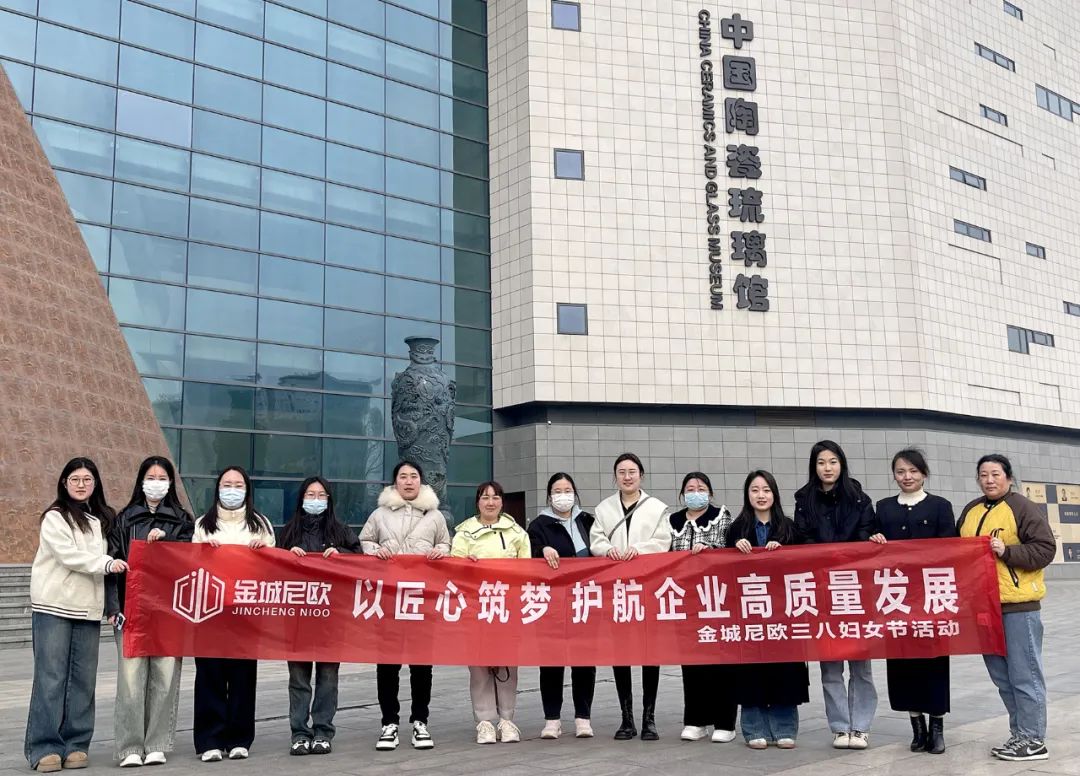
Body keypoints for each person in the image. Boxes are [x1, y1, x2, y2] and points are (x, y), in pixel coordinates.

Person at [26, 457, 127, 773]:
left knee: (83, 680)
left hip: (88, 608)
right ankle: (44, 747)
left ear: (95, 484)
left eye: (87, 479)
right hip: (54, 606)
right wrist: (106, 563)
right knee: (51, 678)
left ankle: (76, 744)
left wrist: (112, 605)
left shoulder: (103, 519)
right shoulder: (55, 517)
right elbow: (68, 556)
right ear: (64, 483)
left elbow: (116, 556)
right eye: (75, 479)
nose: (81, 485)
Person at [958, 454, 1055, 763]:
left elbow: (1045, 549)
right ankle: (1020, 734)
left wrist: (1007, 551)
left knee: (1024, 675)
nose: (989, 480)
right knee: (1002, 677)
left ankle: (1033, 739)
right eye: (983, 475)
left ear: (1009, 478)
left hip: (1018, 607)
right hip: (983, 608)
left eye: (995, 474)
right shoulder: (971, 511)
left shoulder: (1022, 507)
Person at [106, 456, 194, 767]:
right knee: (130, 680)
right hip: (131, 610)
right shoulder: (124, 518)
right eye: (151, 477)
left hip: (169, 612)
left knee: (165, 677)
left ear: (170, 483)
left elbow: (190, 562)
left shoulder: (182, 520)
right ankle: (130, 747)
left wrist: (166, 543)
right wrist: (113, 606)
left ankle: (157, 743)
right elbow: (112, 562)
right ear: (141, 481)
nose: (156, 483)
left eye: (162, 478)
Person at [360, 460, 450, 752]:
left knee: (422, 664)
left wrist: (440, 552)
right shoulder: (379, 514)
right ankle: (389, 722)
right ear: (395, 482)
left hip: (421, 599)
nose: (409, 481)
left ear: (421, 482)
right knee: (388, 664)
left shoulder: (435, 516)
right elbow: (365, 541)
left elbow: (446, 545)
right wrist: (375, 550)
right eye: (403, 476)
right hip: (388, 600)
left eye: (413, 476)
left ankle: (420, 720)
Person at [792, 440, 877, 749]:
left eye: (832, 462)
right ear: (813, 467)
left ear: (841, 464)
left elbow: (866, 535)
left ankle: (861, 727)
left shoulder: (859, 498)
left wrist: (849, 553)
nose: (827, 468)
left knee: (860, 666)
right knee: (830, 666)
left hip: (855, 590)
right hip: (821, 592)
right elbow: (803, 539)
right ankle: (840, 728)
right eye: (820, 463)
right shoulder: (804, 500)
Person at [870, 449, 955, 754]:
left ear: (924, 474)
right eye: (901, 471)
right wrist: (874, 540)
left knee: (934, 662)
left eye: (913, 471)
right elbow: (872, 550)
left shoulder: (940, 506)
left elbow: (950, 550)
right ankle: (917, 727)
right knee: (903, 663)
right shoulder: (884, 508)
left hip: (931, 598)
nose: (907, 477)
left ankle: (937, 727)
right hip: (896, 599)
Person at [191, 467, 276, 763]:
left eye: (238, 485)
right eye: (227, 484)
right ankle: (210, 740)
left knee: (242, 676)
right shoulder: (203, 524)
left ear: (247, 490)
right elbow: (189, 563)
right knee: (209, 675)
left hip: (245, 612)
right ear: (218, 488)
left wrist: (263, 550)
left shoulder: (260, 524)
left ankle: (239, 738)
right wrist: (203, 551)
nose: (232, 489)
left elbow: (273, 567)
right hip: (210, 611)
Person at [589, 453, 671, 741]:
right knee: (621, 653)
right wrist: (606, 549)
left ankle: (649, 718)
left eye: (632, 471)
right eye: (621, 472)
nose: (627, 477)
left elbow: (664, 541)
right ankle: (627, 719)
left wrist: (640, 549)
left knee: (650, 654)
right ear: (615, 477)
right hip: (618, 591)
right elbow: (596, 539)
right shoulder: (604, 508)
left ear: (641, 476)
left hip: (647, 589)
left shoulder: (657, 508)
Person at [280, 476, 361, 756]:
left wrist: (341, 554)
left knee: (327, 677)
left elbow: (360, 559)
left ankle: (323, 731)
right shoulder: (288, 531)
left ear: (329, 499)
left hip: (331, 615)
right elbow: (272, 566)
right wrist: (286, 555)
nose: (315, 499)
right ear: (301, 498)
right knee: (298, 678)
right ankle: (299, 732)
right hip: (297, 616)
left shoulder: (341, 530)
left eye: (321, 495)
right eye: (310, 494)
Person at [730, 470, 809, 749]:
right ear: (747, 494)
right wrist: (734, 548)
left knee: (784, 669)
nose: (761, 495)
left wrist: (785, 550)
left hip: (782, 611)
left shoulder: (788, 527)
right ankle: (754, 729)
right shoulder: (736, 528)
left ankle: (784, 727)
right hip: (749, 611)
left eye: (766, 490)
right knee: (751, 670)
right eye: (755, 490)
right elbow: (723, 568)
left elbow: (805, 563)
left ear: (774, 494)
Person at [451, 481, 531, 744]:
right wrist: (466, 564)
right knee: (479, 667)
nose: (490, 502)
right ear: (478, 502)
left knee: (507, 665)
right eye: (485, 497)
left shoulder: (517, 533)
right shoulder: (464, 532)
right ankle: (484, 721)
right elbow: (454, 569)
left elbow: (527, 571)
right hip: (476, 608)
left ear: (502, 502)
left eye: (495, 497)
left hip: (507, 607)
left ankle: (507, 719)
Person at [668, 471, 737, 743]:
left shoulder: (722, 516)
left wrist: (707, 548)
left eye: (700, 488)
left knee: (721, 661)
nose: (695, 492)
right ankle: (696, 720)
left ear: (710, 492)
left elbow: (729, 549)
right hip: (685, 600)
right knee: (692, 663)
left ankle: (725, 722)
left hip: (716, 598)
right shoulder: (673, 521)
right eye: (689, 488)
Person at [527, 472, 596, 740]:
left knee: (584, 662)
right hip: (551, 604)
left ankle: (583, 717)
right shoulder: (539, 525)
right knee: (551, 663)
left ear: (575, 494)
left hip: (584, 601)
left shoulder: (587, 521)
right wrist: (542, 550)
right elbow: (530, 552)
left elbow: (600, 549)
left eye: (567, 490)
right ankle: (552, 719)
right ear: (549, 496)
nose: (563, 496)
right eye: (557, 491)